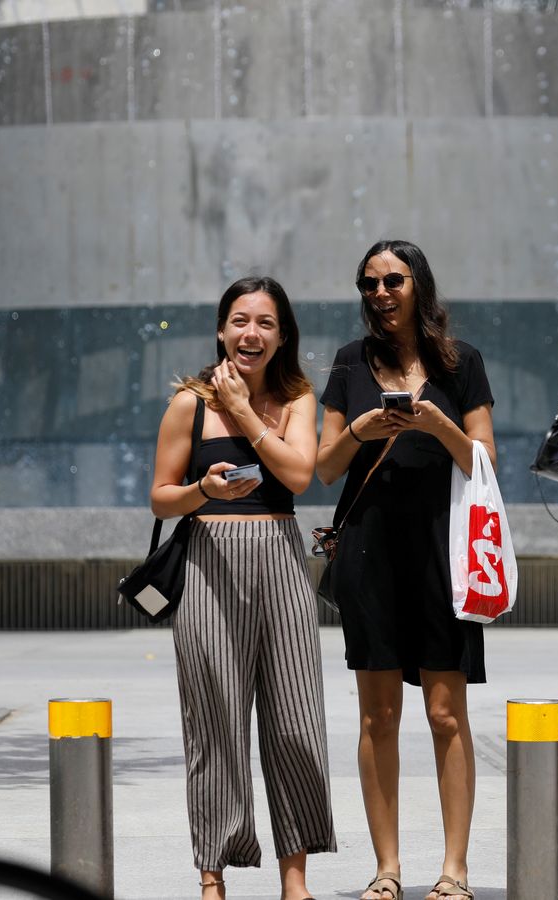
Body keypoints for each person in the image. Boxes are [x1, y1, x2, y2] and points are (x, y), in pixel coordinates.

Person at [314, 240, 495, 900]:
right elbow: (324, 466)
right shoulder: (348, 363)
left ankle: (455, 870)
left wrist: (437, 424)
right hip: (367, 549)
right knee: (378, 717)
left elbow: (484, 461)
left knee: (447, 714)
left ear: (418, 284)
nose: (379, 293)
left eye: (392, 280)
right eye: (368, 284)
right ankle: (387, 869)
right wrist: (363, 427)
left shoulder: (461, 362)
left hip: (444, 552)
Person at [150, 276, 336, 900]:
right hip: (209, 562)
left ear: (283, 336)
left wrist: (250, 416)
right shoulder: (189, 404)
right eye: (239, 320)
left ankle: (295, 878)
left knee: (296, 721)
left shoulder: (299, 399)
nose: (250, 333)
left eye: (264, 323)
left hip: (280, 559)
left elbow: (301, 475)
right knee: (214, 721)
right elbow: (160, 495)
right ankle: (212, 873)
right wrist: (205, 490)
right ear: (221, 329)